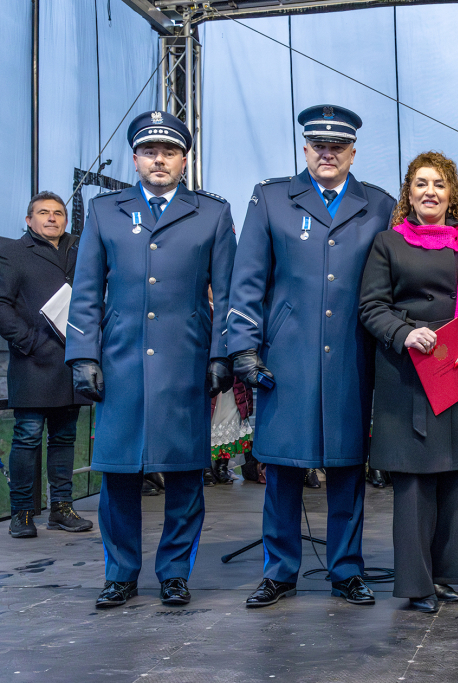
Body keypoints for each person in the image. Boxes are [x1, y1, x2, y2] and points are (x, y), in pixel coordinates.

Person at [66, 111, 237, 608]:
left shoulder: (212, 213)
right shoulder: (104, 211)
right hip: (118, 364)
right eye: (149, 151)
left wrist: (220, 353)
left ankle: (174, 573)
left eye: (169, 152)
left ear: (185, 159)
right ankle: (119, 573)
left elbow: (226, 294)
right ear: (136, 158)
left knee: (185, 474)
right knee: (118, 475)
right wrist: (83, 354)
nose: (158, 160)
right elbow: (86, 290)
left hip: (185, 363)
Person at [228, 104, 395, 608]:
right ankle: (279, 570)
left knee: (348, 467)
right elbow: (248, 280)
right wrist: (243, 346)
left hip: (352, 357)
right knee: (280, 469)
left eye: (338, 146)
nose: (328, 152)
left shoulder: (380, 205)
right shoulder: (272, 199)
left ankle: (346, 569)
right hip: (287, 359)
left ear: (352, 152)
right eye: (318, 144)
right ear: (305, 148)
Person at [359, 151, 458, 613]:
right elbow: (371, 306)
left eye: (438, 184)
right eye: (421, 184)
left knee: (453, 479)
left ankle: (444, 575)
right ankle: (416, 586)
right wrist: (404, 332)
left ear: (452, 192)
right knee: (415, 486)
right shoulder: (388, 244)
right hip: (409, 378)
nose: (430, 192)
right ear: (409, 192)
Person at [0, 191, 93, 537]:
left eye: (58, 213)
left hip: (73, 362)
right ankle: (22, 513)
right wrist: (29, 341)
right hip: (33, 362)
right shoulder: (12, 253)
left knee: (65, 439)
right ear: (29, 220)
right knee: (27, 437)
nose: (52, 218)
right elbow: (1, 306)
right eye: (43, 213)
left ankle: (61, 509)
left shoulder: (80, 249)